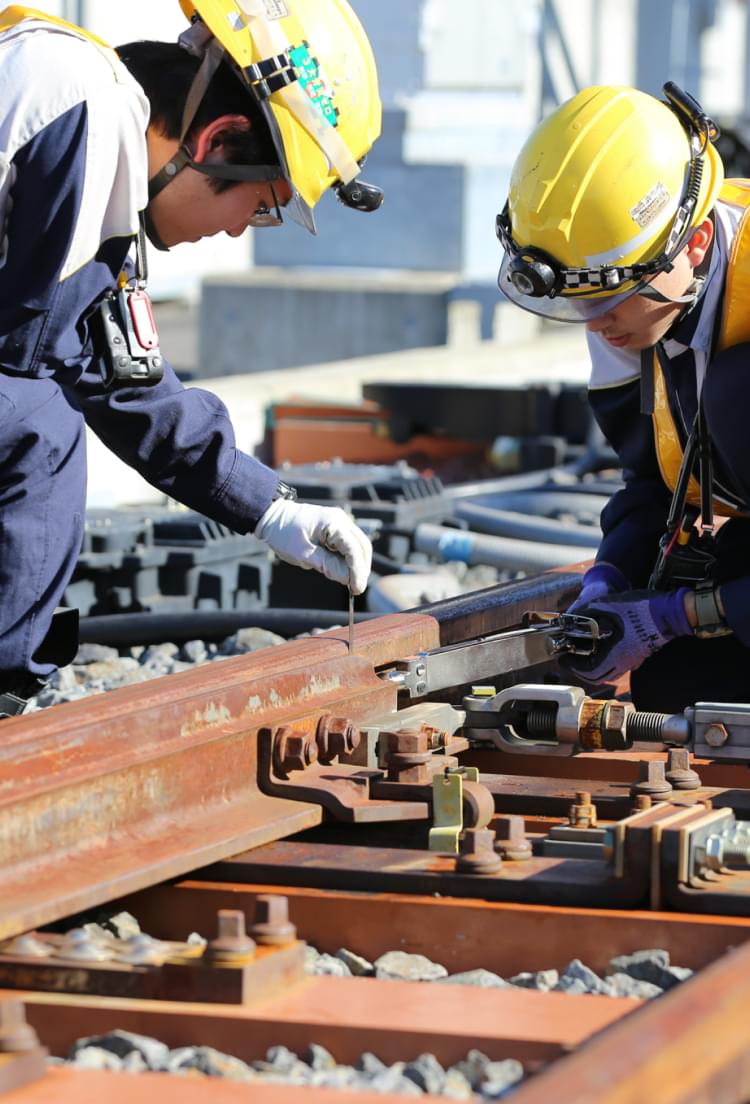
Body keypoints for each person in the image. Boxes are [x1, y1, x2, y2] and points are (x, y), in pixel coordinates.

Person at [0, 2, 384, 716]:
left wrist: (271, 510)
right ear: (221, 137)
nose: (241, 228)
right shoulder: (87, 108)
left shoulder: (92, 122)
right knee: (36, 418)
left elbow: (119, 372)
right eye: (262, 205)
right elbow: (48, 365)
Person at [495, 82, 750, 712]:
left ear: (692, 247)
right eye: (580, 302)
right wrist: (611, 576)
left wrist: (684, 612)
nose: (595, 323)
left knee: (734, 391)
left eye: (608, 301)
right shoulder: (632, 299)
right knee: (677, 688)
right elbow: (651, 482)